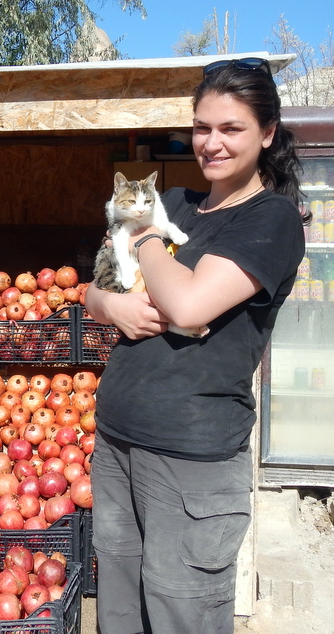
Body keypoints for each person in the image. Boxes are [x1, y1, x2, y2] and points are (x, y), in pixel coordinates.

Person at [84, 57, 308, 634]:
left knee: (182, 614)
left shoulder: (271, 219)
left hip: (190, 459)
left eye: (231, 128)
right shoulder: (178, 203)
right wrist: (115, 307)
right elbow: (94, 288)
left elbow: (187, 306)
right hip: (116, 439)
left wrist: (146, 237)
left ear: (267, 132)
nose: (211, 143)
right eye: (202, 127)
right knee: (119, 612)